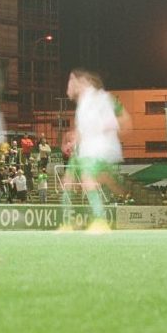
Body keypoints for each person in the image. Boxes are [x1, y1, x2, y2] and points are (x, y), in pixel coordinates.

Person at [63, 68, 128, 233]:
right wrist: (73, 139)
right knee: (69, 180)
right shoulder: (84, 103)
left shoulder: (101, 98)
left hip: (98, 148)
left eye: (71, 80)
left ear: (81, 81)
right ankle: (68, 222)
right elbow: (84, 128)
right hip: (87, 149)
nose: (68, 86)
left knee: (87, 179)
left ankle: (100, 219)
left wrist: (102, 127)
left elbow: (123, 120)